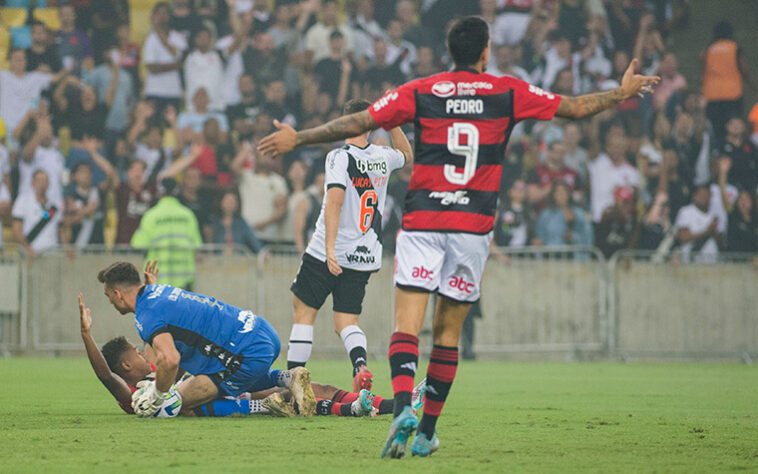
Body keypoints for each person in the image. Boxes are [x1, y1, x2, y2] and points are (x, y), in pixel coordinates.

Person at [257, 16, 659, 458]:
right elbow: (576, 107)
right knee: (447, 333)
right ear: (485, 52)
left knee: (406, 324)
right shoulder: (507, 90)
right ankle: (427, 430)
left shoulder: (422, 90)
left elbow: (356, 120)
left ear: (449, 53)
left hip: (425, 222)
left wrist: (300, 139)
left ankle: (401, 412)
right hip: (472, 227)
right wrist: (622, 92)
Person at [78, 266, 389, 418]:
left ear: (118, 293)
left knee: (174, 405)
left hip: (241, 353)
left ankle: (268, 404)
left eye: (109, 297)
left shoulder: (146, 316)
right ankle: (384, 404)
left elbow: (170, 360)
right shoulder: (158, 292)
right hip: (258, 331)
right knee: (290, 388)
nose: (111, 303)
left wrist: (158, 395)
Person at [287, 99, 412, 393]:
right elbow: (407, 154)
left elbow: (334, 202)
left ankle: (292, 382)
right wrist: (392, 121)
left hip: (326, 251)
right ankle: (360, 365)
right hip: (365, 255)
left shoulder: (339, 158)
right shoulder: (383, 156)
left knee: (304, 311)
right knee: (346, 320)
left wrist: (330, 249)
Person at [130, 179, 202, 291]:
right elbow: (197, 245)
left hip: (158, 282)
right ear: (177, 192)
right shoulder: (188, 215)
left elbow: (138, 243)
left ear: (159, 192)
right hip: (184, 283)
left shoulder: (151, 216)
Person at [702, 21, 750, 147]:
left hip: (713, 97)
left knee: (717, 131)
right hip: (732, 95)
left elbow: (704, 71)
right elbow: (744, 69)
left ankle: (720, 152)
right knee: (734, 128)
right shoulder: (734, 47)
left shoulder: (709, 49)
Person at [12, 170, 65, 258]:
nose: (42, 184)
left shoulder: (54, 206)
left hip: (52, 255)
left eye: (45, 181)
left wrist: (66, 249)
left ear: (48, 184)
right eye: (39, 181)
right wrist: (27, 248)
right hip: (31, 255)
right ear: (32, 183)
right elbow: (16, 229)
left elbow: (61, 230)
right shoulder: (23, 201)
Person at [534, 180, 593, 247]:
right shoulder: (546, 215)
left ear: (569, 193)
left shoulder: (580, 214)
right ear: (553, 195)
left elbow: (588, 238)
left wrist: (573, 237)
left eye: (564, 191)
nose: (562, 194)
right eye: (558, 192)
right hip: (553, 255)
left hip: (577, 255)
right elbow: (539, 237)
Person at [674, 185, 723, 263]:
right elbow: (682, 236)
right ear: (695, 196)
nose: (705, 198)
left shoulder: (715, 215)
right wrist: (706, 232)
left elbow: (721, 242)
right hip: (691, 264)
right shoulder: (686, 212)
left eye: (708, 195)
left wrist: (714, 231)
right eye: (702, 196)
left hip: (713, 264)